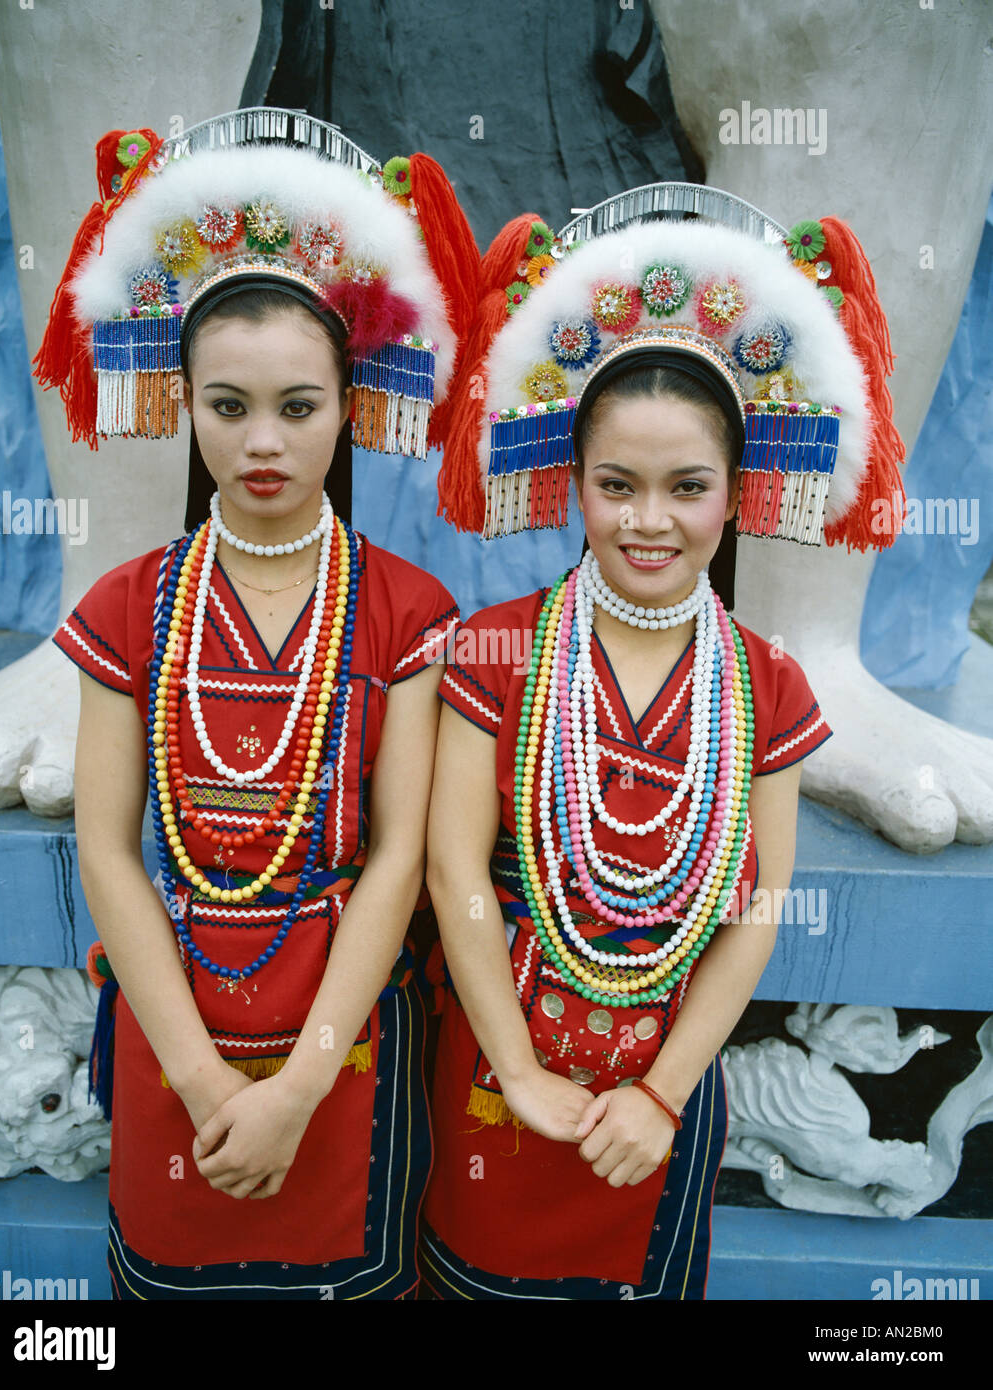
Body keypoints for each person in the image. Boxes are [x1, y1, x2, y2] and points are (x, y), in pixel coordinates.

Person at [419, 203, 893, 1298]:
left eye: (689, 488)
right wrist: (523, 1071)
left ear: (738, 489)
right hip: (497, 1073)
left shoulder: (766, 685)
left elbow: (760, 906)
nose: (650, 521)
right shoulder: (497, 650)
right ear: (571, 479)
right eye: (616, 485)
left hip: (663, 1091)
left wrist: (664, 1092)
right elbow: (454, 873)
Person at [45, 117, 468, 1298]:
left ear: (351, 400)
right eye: (227, 407)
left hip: (346, 1032)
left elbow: (399, 864)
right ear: (183, 402)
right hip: (172, 1021)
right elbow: (106, 848)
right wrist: (202, 1081)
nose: (265, 441)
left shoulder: (406, 610)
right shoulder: (130, 605)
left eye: (300, 405)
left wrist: (296, 1085)